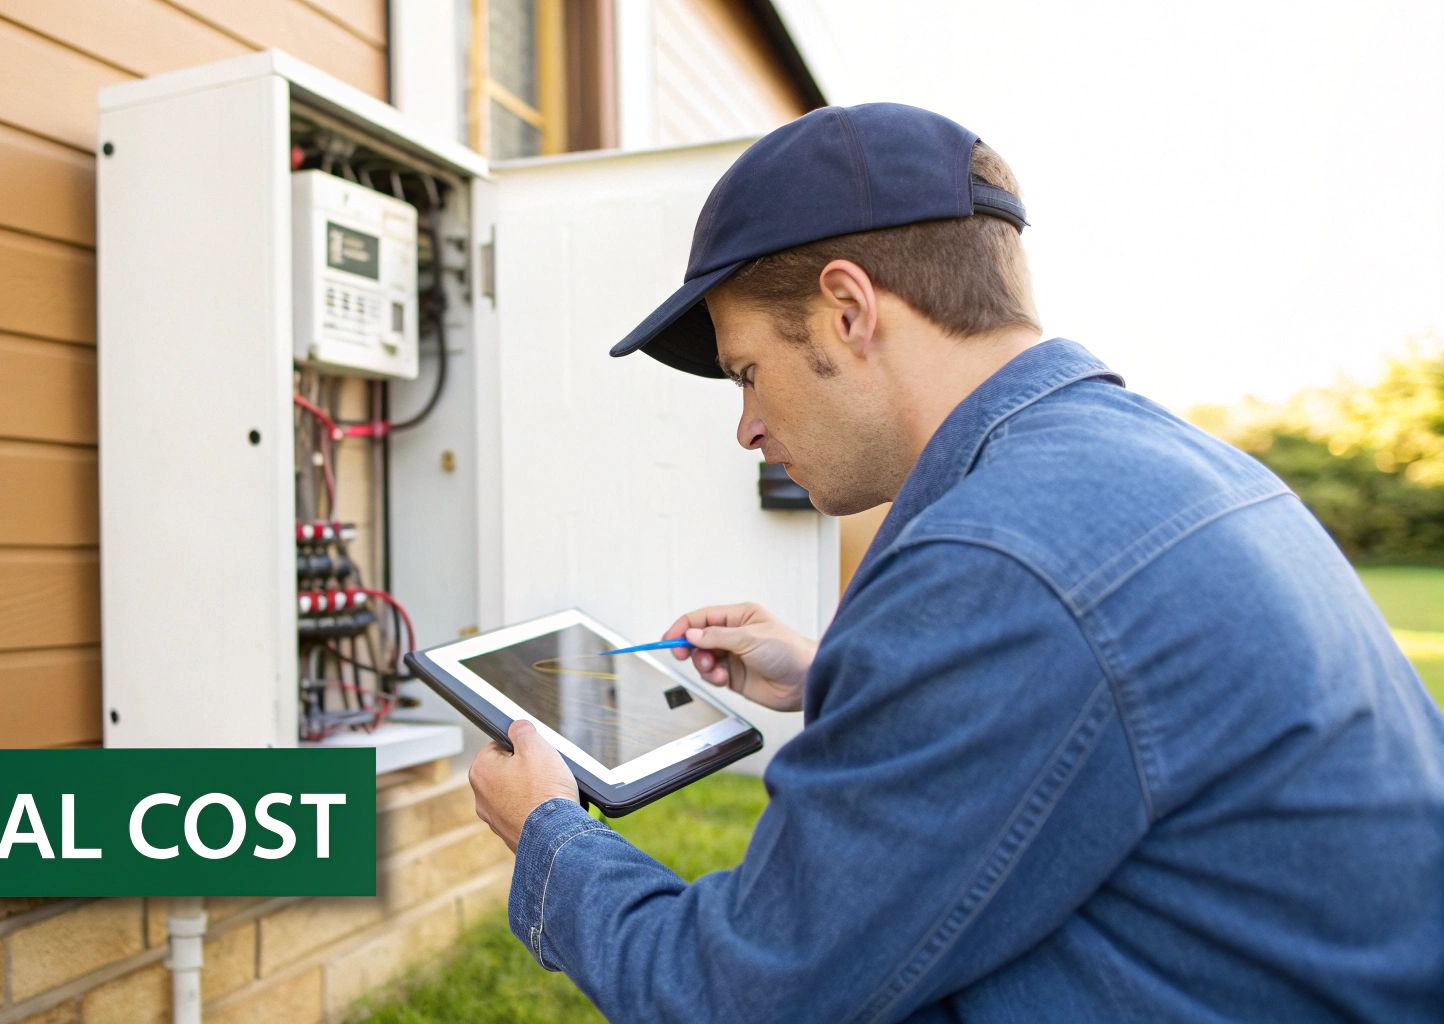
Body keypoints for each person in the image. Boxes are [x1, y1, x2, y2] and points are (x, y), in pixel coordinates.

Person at [466, 104, 1444, 1022]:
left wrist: (547, 833)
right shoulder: (1148, 464)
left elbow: (741, 990)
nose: (746, 427)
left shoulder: (999, 563)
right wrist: (838, 674)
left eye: (745, 371)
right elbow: (1105, 700)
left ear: (846, 309)